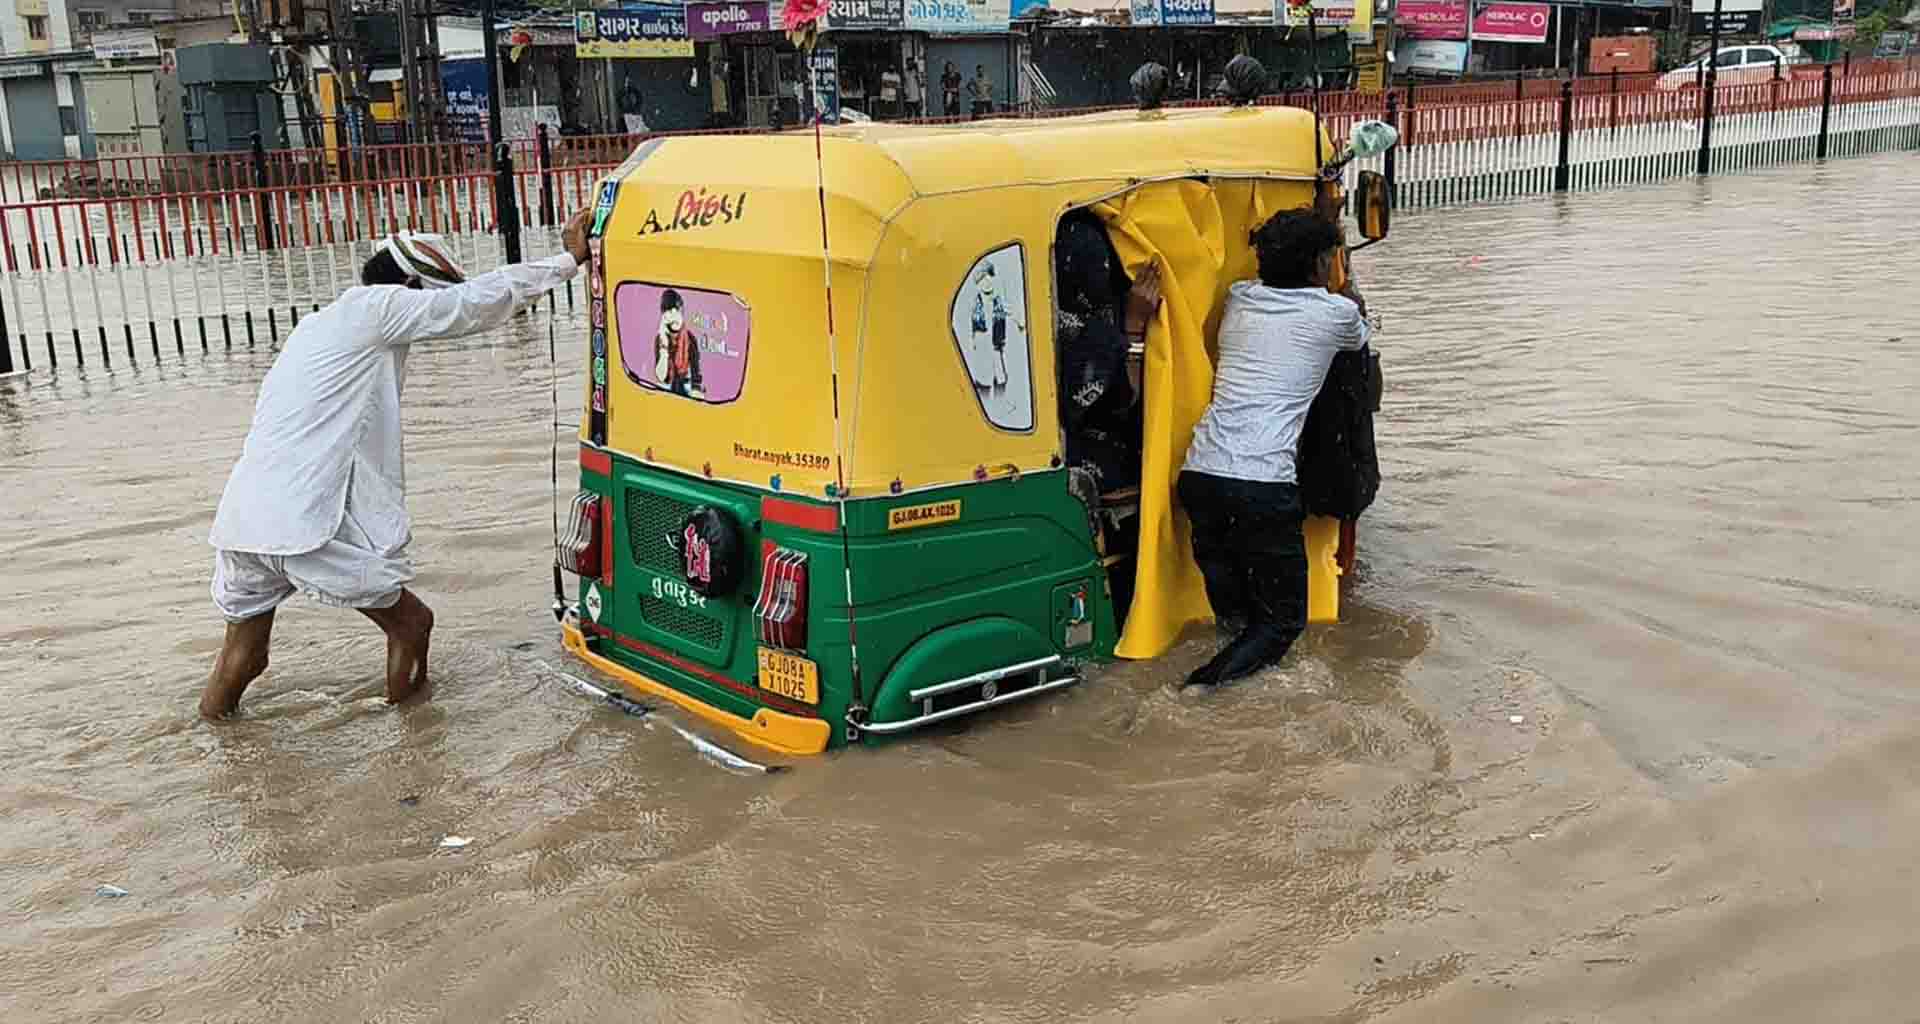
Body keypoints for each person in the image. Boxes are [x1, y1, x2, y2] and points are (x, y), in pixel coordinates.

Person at [198, 209, 594, 721]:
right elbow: (470, 307)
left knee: (246, 656)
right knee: (412, 624)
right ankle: (412, 748)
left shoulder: (317, 326)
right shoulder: (379, 307)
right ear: (408, 286)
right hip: (300, 525)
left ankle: (214, 738)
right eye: (425, 298)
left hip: (243, 522)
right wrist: (568, 260)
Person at [1176, 209, 1371, 694]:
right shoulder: (1336, 314)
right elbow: (1359, 339)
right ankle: (1195, 692)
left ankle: (1229, 683)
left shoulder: (1239, 298)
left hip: (1200, 475)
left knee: (1236, 617)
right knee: (1282, 625)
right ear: (1323, 263)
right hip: (1262, 484)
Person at [652, 287, 703, 398]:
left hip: (686, 387)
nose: (674, 315)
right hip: (667, 387)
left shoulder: (690, 338)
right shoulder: (660, 339)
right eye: (670, 311)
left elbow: (696, 374)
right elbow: (661, 377)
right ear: (664, 316)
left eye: (677, 310)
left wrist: (696, 392)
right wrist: (664, 345)